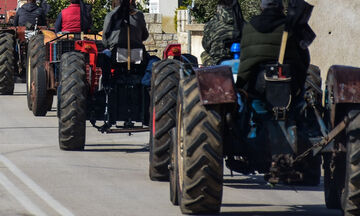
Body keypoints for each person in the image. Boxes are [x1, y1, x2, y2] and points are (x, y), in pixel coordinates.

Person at [236, 0, 310, 92]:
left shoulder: (249, 28)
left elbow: (245, 65)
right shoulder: (291, 27)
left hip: (258, 90)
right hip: (289, 87)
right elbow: (304, 59)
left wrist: (238, 86)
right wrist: (300, 83)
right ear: (281, 8)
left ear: (261, 7)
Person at [201, 0, 244, 66]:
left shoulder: (211, 25)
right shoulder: (245, 25)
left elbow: (205, 45)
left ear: (218, 9)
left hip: (218, 64)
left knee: (204, 54)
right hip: (243, 62)